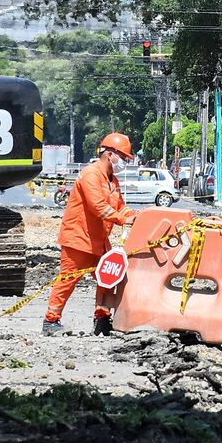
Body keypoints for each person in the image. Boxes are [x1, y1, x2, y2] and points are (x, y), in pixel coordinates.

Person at [43, 133, 137, 336]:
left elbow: (120, 206)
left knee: (108, 278)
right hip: (78, 239)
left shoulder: (112, 180)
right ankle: (51, 321)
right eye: (123, 157)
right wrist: (122, 219)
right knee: (67, 280)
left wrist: (135, 216)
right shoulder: (91, 174)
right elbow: (98, 207)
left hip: (99, 241)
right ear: (110, 154)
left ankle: (102, 319)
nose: (125, 162)